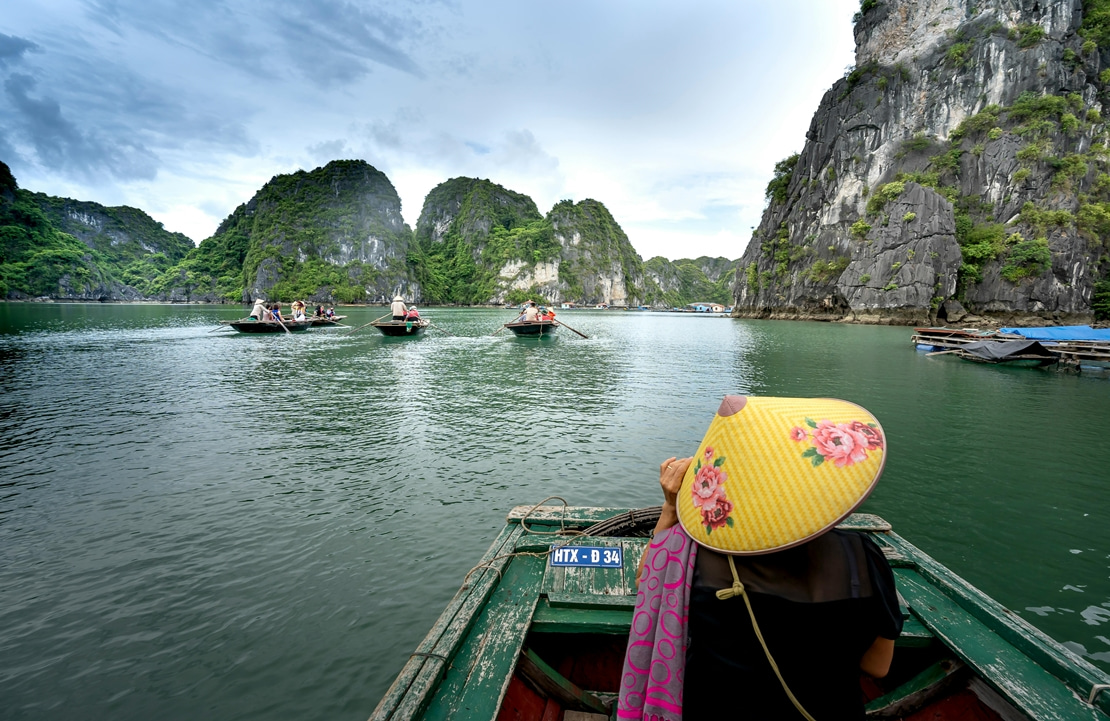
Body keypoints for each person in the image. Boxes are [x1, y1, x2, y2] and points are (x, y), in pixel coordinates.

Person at [620, 395, 901, 721]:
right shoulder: (862, 557)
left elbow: (647, 584)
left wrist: (671, 508)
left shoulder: (692, 551)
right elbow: (877, 666)